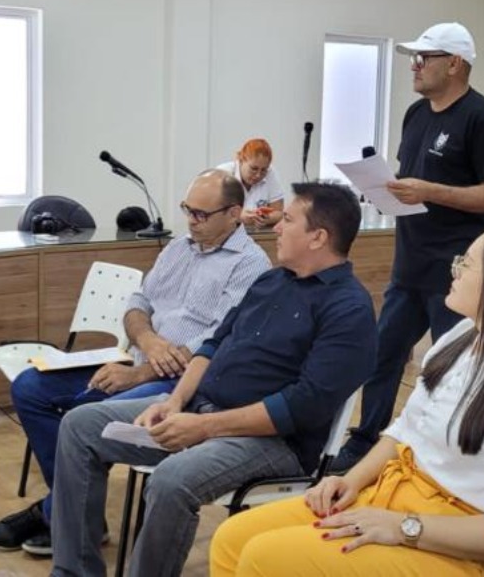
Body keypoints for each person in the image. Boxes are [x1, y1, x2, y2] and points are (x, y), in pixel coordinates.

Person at [48, 182, 378, 577]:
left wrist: (203, 427)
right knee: (79, 426)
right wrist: (174, 402)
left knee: (171, 480)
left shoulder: (349, 309)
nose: (275, 226)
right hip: (199, 409)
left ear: (318, 237)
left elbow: (301, 406)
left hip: (271, 442)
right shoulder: (271, 281)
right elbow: (212, 345)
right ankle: (74, 572)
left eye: (288, 220)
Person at [210, 218, 484, 577]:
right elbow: (406, 429)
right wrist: (351, 481)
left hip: (460, 545)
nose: (453, 270)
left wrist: (405, 527)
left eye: (465, 263)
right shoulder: (463, 336)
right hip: (396, 496)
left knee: (264, 557)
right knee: (232, 538)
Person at [0, 169, 271, 556]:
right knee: (30, 387)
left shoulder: (251, 265)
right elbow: (138, 303)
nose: (191, 221)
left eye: (202, 214)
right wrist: (148, 340)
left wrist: (139, 374)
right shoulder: (179, 247)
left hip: (182, 384)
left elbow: (218, 342)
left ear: (234, 213)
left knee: (87, 416)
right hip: (138, 359)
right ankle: (72, 514)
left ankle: (59, 516)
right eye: (187, 209)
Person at [331, 22, 484, 472]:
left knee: (452, 369)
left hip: (457, 274)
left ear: (455, 64)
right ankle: (365, 441)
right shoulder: (415, 114)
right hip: (409, 265)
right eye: (414, 57)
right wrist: (384, 191)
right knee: (382, 356)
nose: (414, 65)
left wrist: (430, 191)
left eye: (424, 58)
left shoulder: (483, 118)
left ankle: (445, 457)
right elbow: (410, 184)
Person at [216, 138, 284, 228]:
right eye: (254, 169)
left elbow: (279, 213)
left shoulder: (270, 172)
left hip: (258, 233)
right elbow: (211, 213)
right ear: (241, 160)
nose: (258, 175)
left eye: (263, 170)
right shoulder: (223, 173)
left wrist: (265, 218)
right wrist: (238, 216)